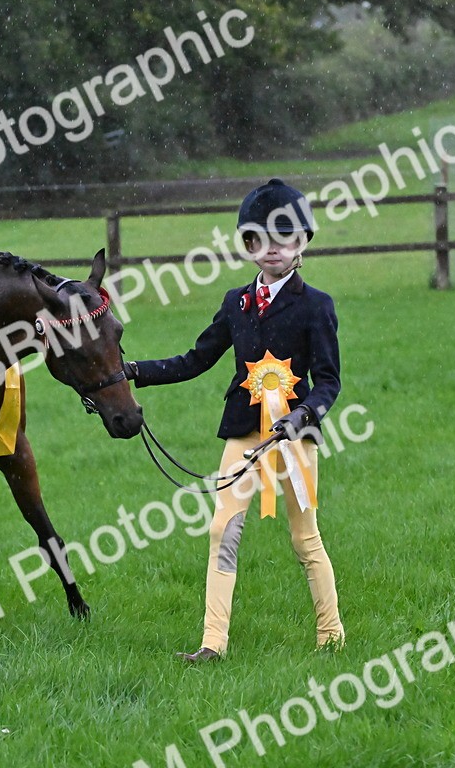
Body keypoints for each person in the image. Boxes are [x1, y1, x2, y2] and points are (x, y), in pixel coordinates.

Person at [124, 178, 345, 661]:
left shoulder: (317, 306)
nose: (271, 250)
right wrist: (137, 372)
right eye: (258, 240)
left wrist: (303, 413)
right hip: (242, 436)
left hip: (295, 438)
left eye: (283, 238)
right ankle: (212, 644)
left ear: (303, 241)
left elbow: (329, 381)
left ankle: (331, 635)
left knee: (304, 537)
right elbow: (195, 359)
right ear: (247, 245)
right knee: (222, 531)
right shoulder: (234, 303)